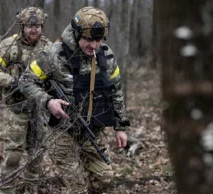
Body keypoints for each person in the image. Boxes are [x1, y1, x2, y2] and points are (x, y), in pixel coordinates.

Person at [19, 6, 130, 194]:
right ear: (77, 33)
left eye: (98, 40)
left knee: (104, 178)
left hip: (92, 128)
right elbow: (25, 81)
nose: (93, 45)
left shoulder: (106, 56)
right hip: (61, 130)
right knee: (76, 186)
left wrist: (120, 127)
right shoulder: (54, 55)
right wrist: (48, 101)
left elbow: (116, 90)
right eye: (88, 39)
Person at [0, 7, 52, 194]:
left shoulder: (48, 48)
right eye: (30, 26)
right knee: (13, 153)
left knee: (37, 151)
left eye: (37, 26)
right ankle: (6, 189)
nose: (34, 30)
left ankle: (31, 187)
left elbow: (59, 74)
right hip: (15, 106)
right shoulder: (9, 46)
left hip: (39, 107)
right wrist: (12, 82)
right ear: (22, 26)